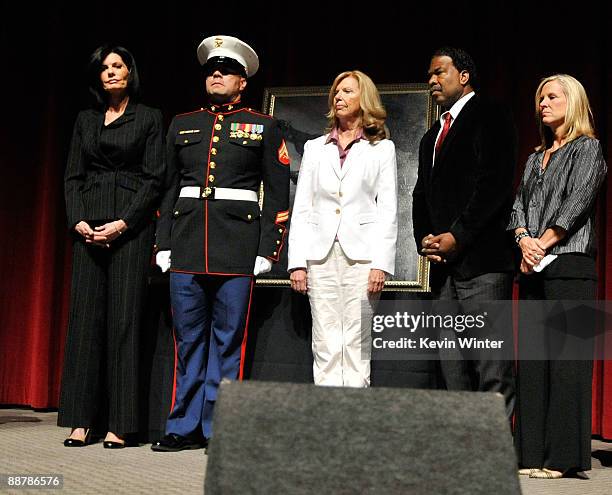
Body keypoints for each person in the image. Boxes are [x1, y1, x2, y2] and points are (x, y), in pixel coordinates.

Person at [151, 35, 289, 452]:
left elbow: (277, 194)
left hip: (237, 248)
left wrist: (268, 250)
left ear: (241, 81)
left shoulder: (263, 126)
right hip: (187, 244)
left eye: (226, 70)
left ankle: (220, 428)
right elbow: (167, 189)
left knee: (229, 342)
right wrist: (162, 243)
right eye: (212, 69)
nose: (216, 75)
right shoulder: (182, 123)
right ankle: (182, 426)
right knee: (188, 341)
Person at [59, 44, 164, 448]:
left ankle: (120, 423)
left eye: (118, 66)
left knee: (123, 323)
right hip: (88, 228)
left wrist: (124, 223)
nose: (111, 73)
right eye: (104, 68)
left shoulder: (150, 117)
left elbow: (155, 178)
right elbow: (72, 176)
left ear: (130, 72)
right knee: (84, 324)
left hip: (129, 230)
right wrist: (78, 219)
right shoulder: (86, 120)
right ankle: (80, 420)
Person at [509, 74, 607, 479]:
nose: (542, 104)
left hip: (572, 265)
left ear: (574, 101)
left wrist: (542, 243)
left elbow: (578, 202)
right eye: (539, 99)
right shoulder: (536, 157)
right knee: (532, 363)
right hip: (534, 266)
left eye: (551, 97)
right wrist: (522, 240)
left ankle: (563, 458)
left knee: (569, 363)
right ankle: (530, 453)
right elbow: (518, 205)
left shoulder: (590, 149)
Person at [412, 47, 516, 414]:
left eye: (439, 72)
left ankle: (495, 455)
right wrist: (425, 238)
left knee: (491, 362)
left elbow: (495, 185)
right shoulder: (431, 136)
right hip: (444, 270)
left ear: (464, 76)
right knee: (451, 364)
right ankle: (463, 452)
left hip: (483, 263)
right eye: (429, 75)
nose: (432, 81)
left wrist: (458, 235)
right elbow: (421, 194)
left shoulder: (491, 115)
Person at [288, 70, 398, 388]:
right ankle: (327, 422)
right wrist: (297, 263)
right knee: (324, 341)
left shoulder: (381, 149)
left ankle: (353, 422)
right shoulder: (314, 148)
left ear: (363, 99)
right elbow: (303, 208)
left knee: (356, 342)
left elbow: (388, 209)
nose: (339, 96)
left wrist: (381, 264)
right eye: (336, 91)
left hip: (362, 258)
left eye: (347, 91)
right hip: (320, 256)